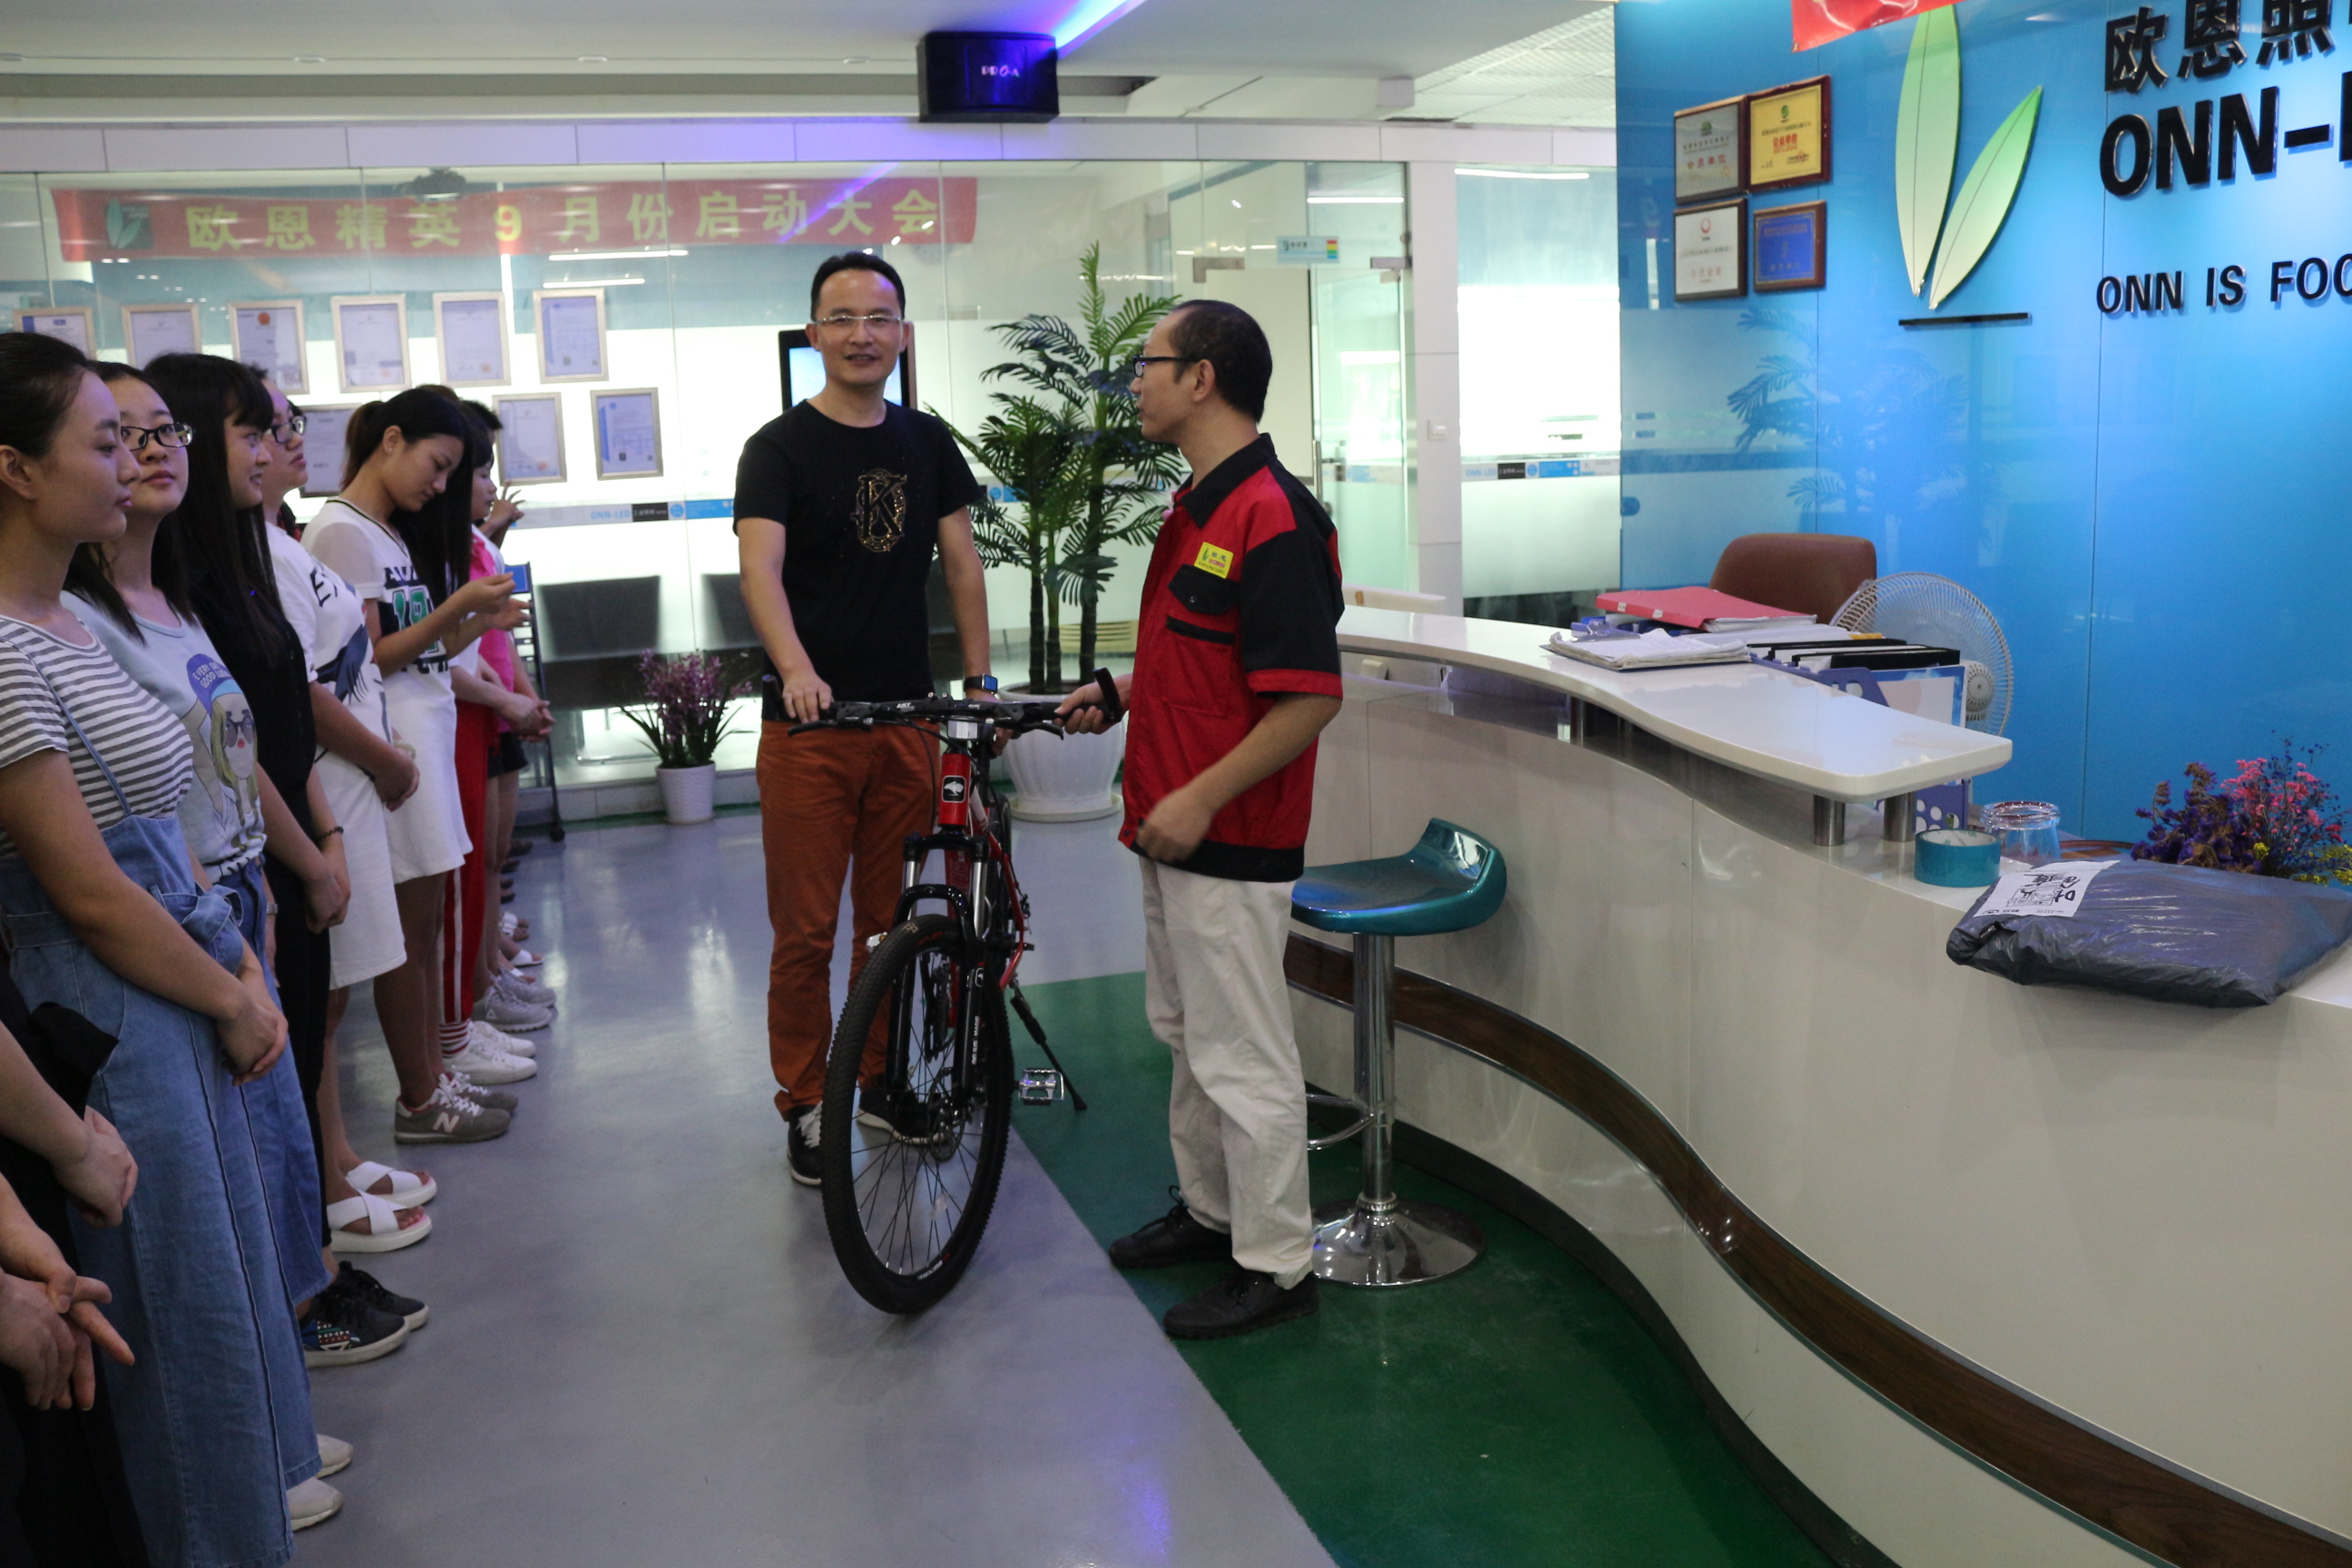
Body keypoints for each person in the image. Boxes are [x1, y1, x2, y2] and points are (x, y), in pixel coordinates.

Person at [0, 329, 312, 1567]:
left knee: (224, 1308)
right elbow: (86, 893)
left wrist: (232, 973)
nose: (131, 461)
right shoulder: (7, 647)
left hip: (183, 971)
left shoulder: (70, 615)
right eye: (102, 440)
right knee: (180, 1349)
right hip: (119, 1008)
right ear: (17, 470)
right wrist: (231, 1000)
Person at [1058, 299, 1344, 1340]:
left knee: (1243, 1053)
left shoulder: (1270, 514)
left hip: (1226, 831)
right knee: (1187, 1035)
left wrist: (1200, 794)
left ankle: (1276, 1265)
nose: (1134, 380)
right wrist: (1122, 693)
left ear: (1204, 379)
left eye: (1150, 363)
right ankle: (1214, 1211)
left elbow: (1310, 694)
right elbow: (1207, 652)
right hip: (1172, 820)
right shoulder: (1201, 506)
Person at [733, 251, 993, 1184]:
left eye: (878, 317)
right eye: (841, 318)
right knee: (805, 931)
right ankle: (806, 1101)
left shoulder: (928, 441)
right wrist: (796, 669)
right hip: (809, 730)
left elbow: (961, 564)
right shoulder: (779, 447)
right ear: (814, 335)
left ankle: (875, 1082)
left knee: (890, 926)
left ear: (904, 333)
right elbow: (759, 570)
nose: (861, 334)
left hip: (907, 722)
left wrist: (979, 679)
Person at [305, 391, 524, 1144]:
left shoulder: (386, 537)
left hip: (423, 740)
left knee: (425, 927)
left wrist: (475, 624)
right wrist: (457, 604)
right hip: (394, 755)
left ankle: (432, 1074)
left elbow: (422, 656)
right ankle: (419, 1095)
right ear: (390, 441)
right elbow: (370, 658)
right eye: (437, 467)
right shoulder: (341, 534)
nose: (441, 487)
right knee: (406, 933)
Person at [255, 386, 438, 1251]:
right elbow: (296, 693)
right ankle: (322, 1184)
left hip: (345, 794)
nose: (287, 441)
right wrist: (382, 758)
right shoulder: (294, 547)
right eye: (261, 428)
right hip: (331, 784)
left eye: (289, 425)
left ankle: (336, 1156)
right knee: (317, 997)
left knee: (332, 991)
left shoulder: (285, 544)